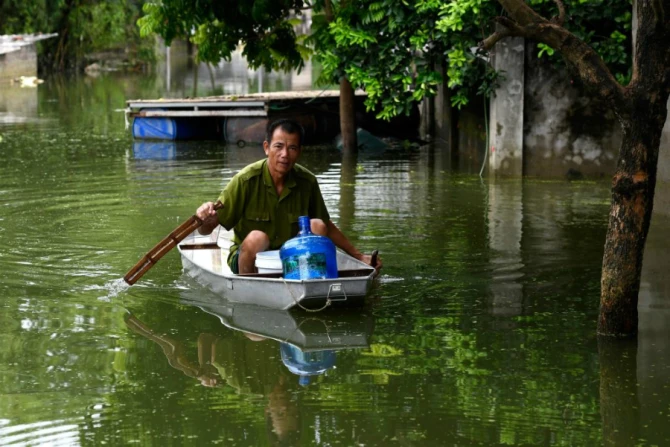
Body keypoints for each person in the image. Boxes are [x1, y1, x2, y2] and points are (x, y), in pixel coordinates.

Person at [195, 119, 383, 274]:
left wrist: (359, 256)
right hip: (250, 260)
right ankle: (251, 288)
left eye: (292, 148)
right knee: (256, 237)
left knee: (317, 225)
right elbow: (205, 230)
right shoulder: (245, 180)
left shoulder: (307, 181)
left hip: (292, 258)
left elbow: (327, 226)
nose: (285, 154)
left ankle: (314, 284)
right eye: (279, 146)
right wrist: (205, 218)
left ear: (299, 152)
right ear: (267, 148)